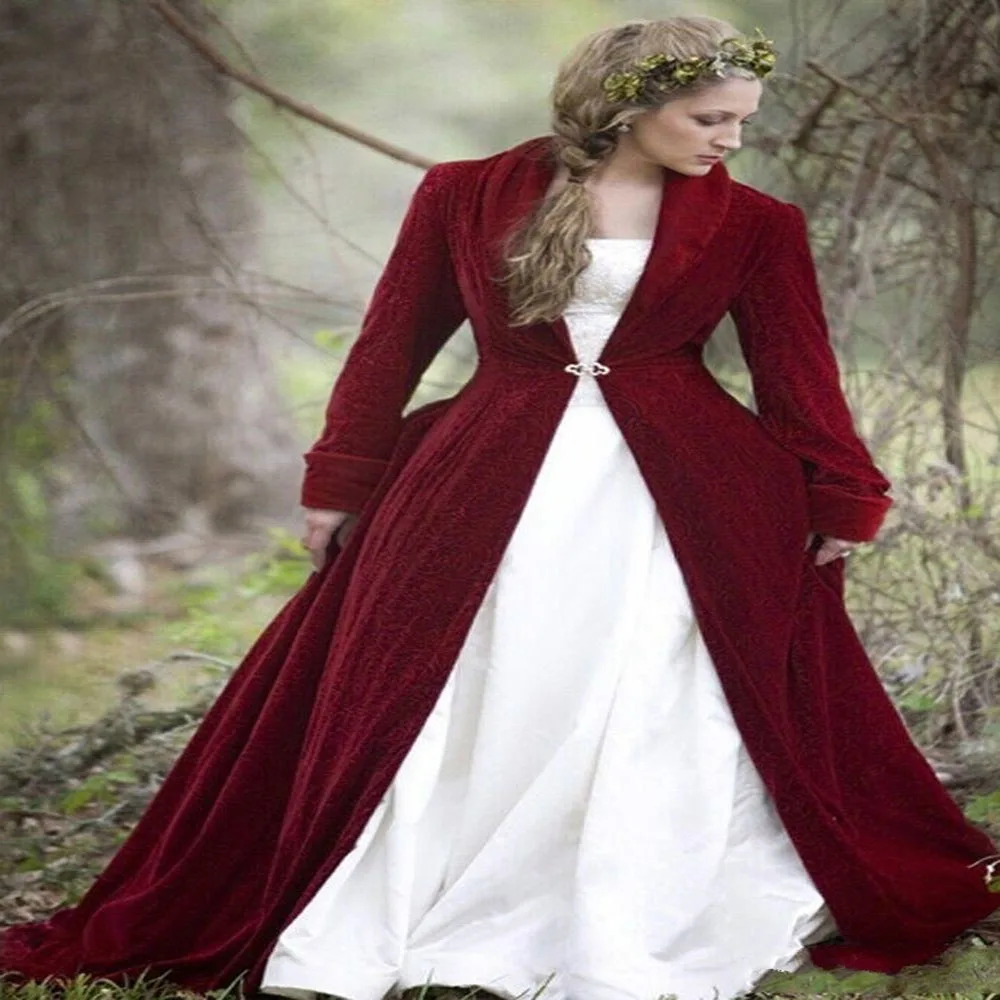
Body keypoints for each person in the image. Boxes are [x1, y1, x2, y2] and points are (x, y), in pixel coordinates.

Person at [2, 15, 998, 1000]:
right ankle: (430, 888)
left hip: (687, 493)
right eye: (709, 119)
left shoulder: (757, 223)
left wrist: (841, 492)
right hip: (481, 475)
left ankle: (632, 899)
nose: (729, 140)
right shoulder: (464, 194)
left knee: (655, 678)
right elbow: (389, 346)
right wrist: (339, 482)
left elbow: (797, 374)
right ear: (631, 106)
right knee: (481, 666)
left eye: (742, 120)